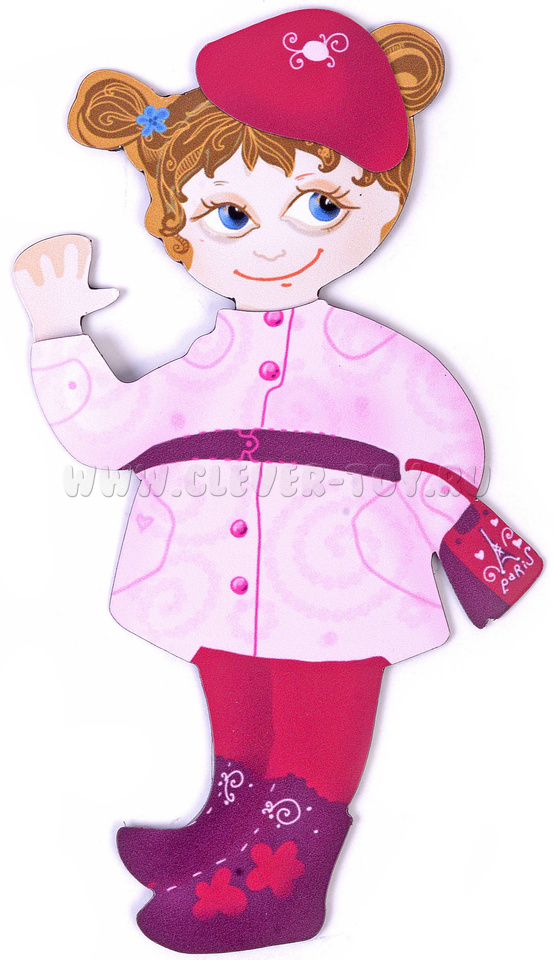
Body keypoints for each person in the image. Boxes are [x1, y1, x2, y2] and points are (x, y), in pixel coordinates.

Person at [14, 9, 488, 954]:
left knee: (319, 701)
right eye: (231, 216)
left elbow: (451, 443)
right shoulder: (205, 361)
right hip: (212, 572)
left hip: (339, 576)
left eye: (319, 207)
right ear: (181, 227)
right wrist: (57, 333)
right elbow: (110, 436)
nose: (269, 245)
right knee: (236, 685)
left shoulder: (375, 356)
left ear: (379, 203)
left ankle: (286, 871)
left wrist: (407, 516)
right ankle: (238, 817)